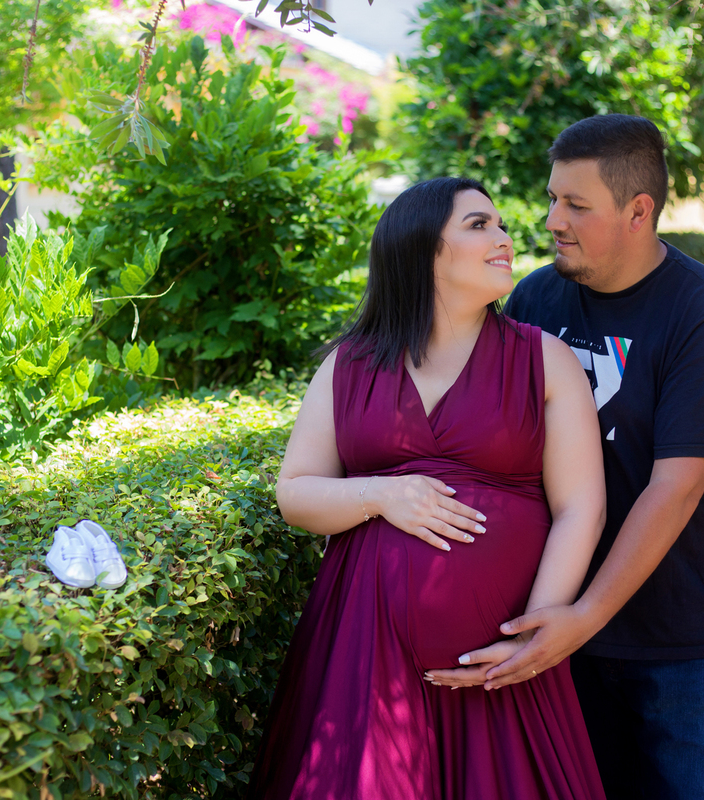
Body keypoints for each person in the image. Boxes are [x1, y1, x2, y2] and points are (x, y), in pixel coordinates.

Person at [427, 115, 704, 799]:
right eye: (553, 197)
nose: (553, 219)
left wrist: (584, 616)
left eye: (577, 205)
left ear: (638, 211)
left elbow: (673, 490)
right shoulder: (535, 298)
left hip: (685, 643)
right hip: (562, 630)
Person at [248, 177, 609, 800]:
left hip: (503, 669)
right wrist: (381, 495)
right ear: (422, 251)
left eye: (499, 224)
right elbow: (296, 493)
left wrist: (532, 632)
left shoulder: (545, 360)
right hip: (365, 661)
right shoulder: (350, 364)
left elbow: (581, 507)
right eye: (479, 225)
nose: (505, 239)